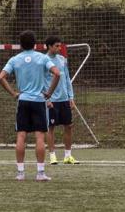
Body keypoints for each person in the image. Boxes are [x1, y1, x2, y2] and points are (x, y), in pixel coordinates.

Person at [0, 31, 60, 181]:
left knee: (21, 136)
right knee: (40, 136)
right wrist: (49, 93)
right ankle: (40, 173)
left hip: (23, 101)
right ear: (35, 44)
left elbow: (1, 77)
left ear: (20, 44)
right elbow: (57, 73)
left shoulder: (15, 59)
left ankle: (20, 173)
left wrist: (14, 93)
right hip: (39, 101)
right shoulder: (42, 58)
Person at [45, 36, 79, 165]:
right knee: (51, 127)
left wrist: (71, 97)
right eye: (57, 46)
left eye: (60, 46)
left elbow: (67, 79)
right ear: (49, 46)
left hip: (65, 99)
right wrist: (46, 99)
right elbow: (42, 81)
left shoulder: (62, 60)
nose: (59, 48)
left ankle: (68, 156)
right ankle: (52, 156)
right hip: (51, 100)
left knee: (69, 126)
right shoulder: (43, 60)